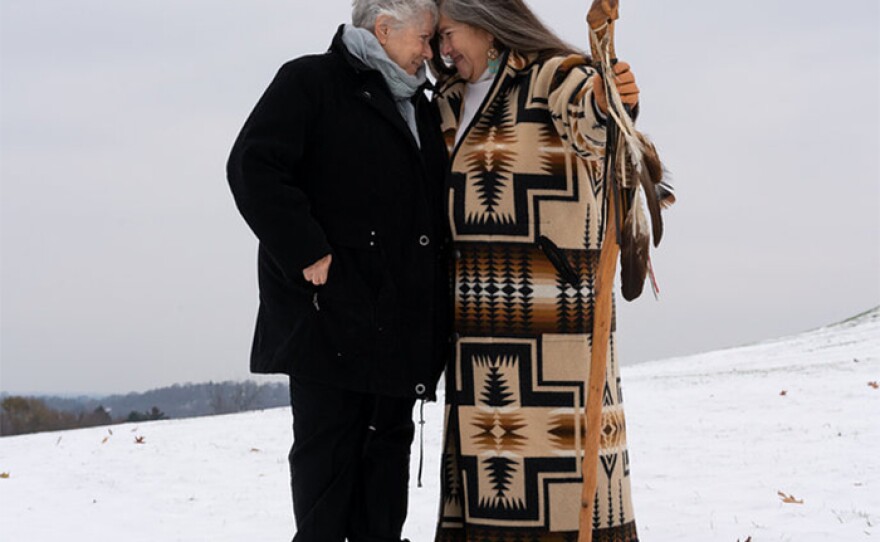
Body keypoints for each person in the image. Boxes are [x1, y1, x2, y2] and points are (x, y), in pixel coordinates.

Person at [226, 1, 449, 540]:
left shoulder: (422, 106)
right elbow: (252, 165)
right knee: (326, 488)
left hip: (399, 333)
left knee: (383, 490)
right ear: (383, 28)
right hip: (330, 327)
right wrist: (305, 248)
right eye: (423, 38)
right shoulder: (309, 82)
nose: (430, 52)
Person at [429, 0, 646, 540]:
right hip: (479, 351)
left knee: (565, 498)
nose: (443, 50)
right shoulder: (449, 103)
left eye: (449, 33)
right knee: (490, 502)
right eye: (436, 41)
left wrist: (609, 97)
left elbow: (594, 124)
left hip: (557, 342)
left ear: (484, 18)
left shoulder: (552, 76)